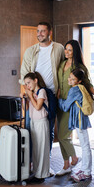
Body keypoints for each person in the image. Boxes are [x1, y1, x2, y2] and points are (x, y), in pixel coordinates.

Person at [19, 22, 64, 174]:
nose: (39, 34)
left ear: (49, 32)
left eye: (43, 31)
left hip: (50, 95)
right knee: (31, 129)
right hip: (34, 94)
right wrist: (27, 92)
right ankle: (31, 162)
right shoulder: (30, 51)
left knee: (49, 131)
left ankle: (46, 163)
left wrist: (60, 91)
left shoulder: (58, 48)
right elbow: (24, 73)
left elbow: (63, 70)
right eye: (38, 31)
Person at [56, 39, 94, 176]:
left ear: (75, 51)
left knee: (63, 135)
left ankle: (74, 158)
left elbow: (87, 83)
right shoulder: (62, 64)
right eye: (66, 49)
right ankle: (66, 165)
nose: (67, 52)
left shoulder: (79, 66)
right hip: (62, 101)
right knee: (61, 135)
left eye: (70, 50)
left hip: (71, 103)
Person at [58, 68, 93, 182]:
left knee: (85, 146)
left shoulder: (74, 90)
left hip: (79, 120)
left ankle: (86, 172)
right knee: (85, 145)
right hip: (81, 119)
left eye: (73, 79)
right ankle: (84, 170)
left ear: (79, 81)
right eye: (70, 77)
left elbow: (65, 106)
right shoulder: (81, 87)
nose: (70, 80)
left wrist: (58, 99)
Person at [22, 72, 51, 180]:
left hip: (42, 122)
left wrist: (30, 95)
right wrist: (24, 98)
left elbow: (38, 107)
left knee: (42, 147)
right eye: (26, 84)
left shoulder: (42, 91)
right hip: (34, 122)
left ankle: (42, 174)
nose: (28, 86)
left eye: (29, 82)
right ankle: (36, 171)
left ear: (35, 80)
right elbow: (27, 109)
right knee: (36, 148)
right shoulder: (32, 93)